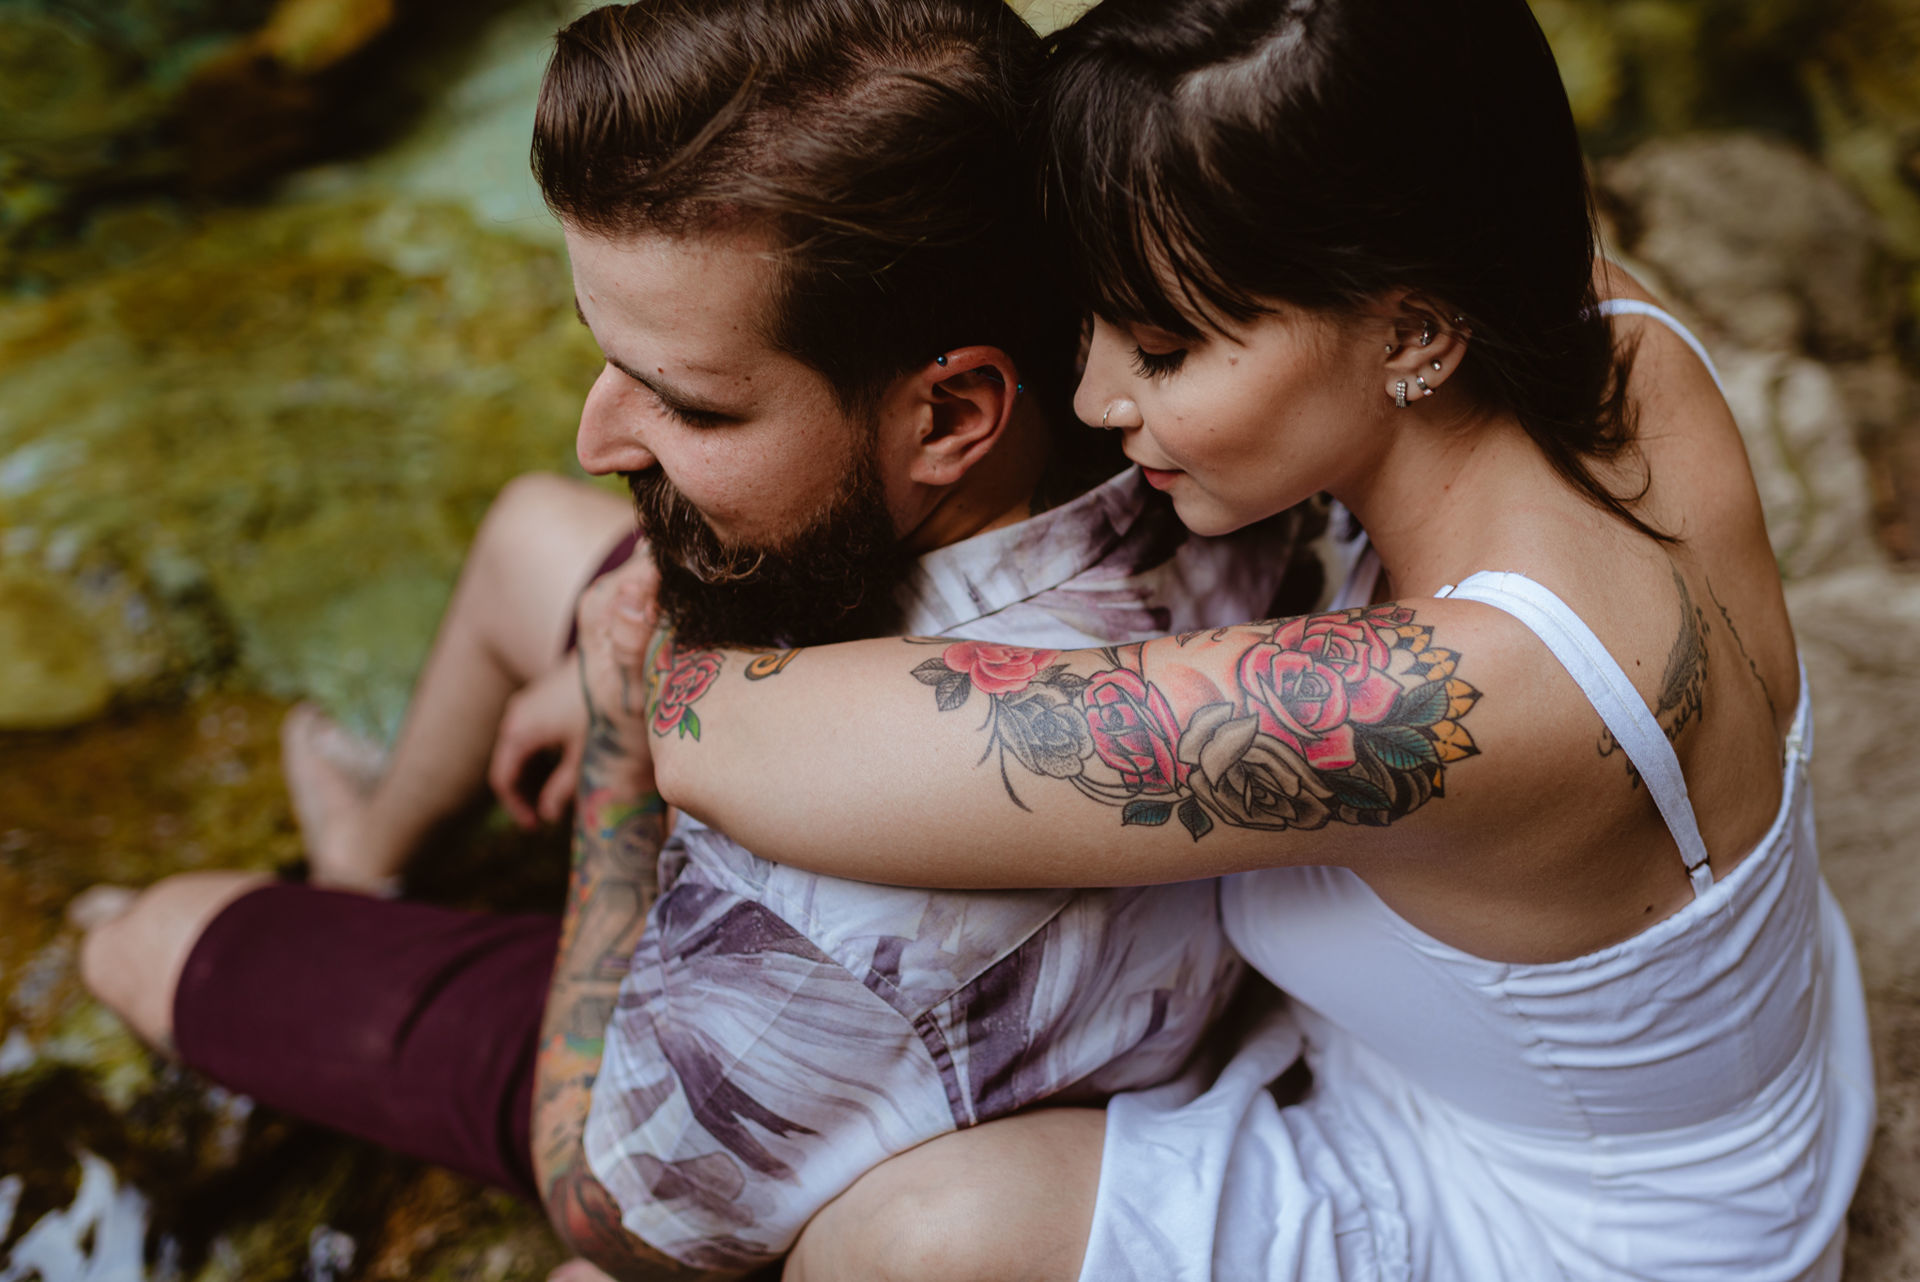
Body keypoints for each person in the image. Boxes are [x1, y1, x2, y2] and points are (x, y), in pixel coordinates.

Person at [581, 1, 1877, 1278]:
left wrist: (655, 625)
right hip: (1677, 1077)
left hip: (1581, 1234)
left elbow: (723, 738)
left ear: (1416, 330)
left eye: (1165, 344)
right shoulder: (1614, 335)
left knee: (909, 1243)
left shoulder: (1477, 691)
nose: (1095, 396)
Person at [72, 1, 1321, 1278]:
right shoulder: (1191, 454)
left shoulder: (807, 943)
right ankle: (370, 848)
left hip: (792, 1072)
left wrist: (620, 768)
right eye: (607, 359)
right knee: (526, 535)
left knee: (143, 935)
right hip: (1038, 899)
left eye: (688, 402)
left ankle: (341, 888)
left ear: (951, 411)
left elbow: (604, 1204)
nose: (597, 436)